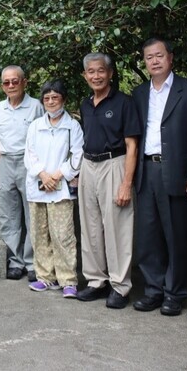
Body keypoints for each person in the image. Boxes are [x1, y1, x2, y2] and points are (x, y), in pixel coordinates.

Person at [131, 37, 187, 317]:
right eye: (149, 57)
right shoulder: (138, 93)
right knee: (148, 235)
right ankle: (153, 290)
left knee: (175, 234)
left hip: (176, 171)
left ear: (171, 58)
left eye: (159, 55)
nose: (155, 61)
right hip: (146, 170)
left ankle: (175, 293)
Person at [76, 53, 141, 309]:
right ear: (85, 75)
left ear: (110, 73)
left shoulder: (124, 102)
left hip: (115, 164)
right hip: (88, 165)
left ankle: (120, 286)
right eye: (91, 71)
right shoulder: (85, 104)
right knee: (90, 226)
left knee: (117, 227)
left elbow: (132, 145)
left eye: (100, 71)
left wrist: (126, 182)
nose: (96, 76)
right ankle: (95, 281)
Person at [23, 80, 83, 298]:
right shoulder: (35, 126)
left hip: (61, 189)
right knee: (40, 235)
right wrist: (43, 175)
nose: (50, 101)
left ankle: (68, 280)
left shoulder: (72, 126)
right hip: (38, 187)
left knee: (63, 235)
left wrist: (57, 176)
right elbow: (29, 155)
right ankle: (45, 277)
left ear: (63, 100)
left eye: (55, 97)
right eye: (46, 98)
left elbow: (77, 156)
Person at [0, 65, 43, 281]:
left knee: (32, 214)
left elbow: (43, 140)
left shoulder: (36, 106)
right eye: (6, 82)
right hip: (6, 163)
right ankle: (15, 262)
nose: (11, 85)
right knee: (8, 216)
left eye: (15, 81)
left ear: (24, 82)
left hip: (28, 163)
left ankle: (33, 264)